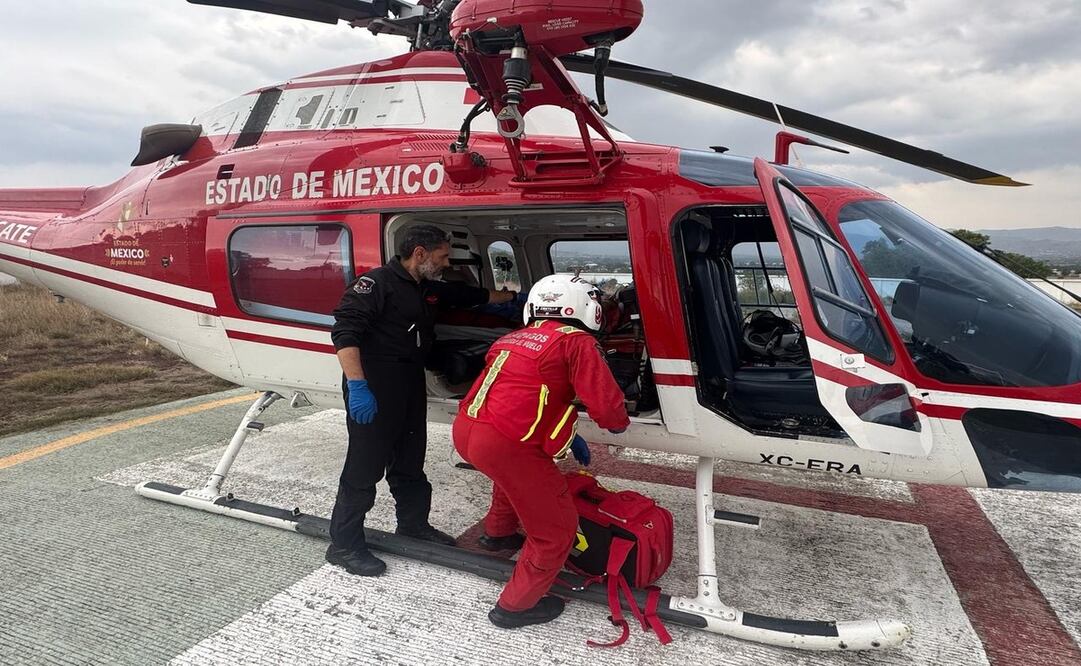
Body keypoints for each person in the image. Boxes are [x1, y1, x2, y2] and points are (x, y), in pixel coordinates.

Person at [327, 224, 520, 577]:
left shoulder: (425, 287)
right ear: (420, 253)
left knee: (411, 461)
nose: (446, 262)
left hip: (409, 383)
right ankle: (343, 545)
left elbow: (468, 297)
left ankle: (413, 526)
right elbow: (344, 334)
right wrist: (358, 386)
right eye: (443, 255)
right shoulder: (375, 285)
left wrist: (512, 300)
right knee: (364, 467)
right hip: (374, 387)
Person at [452, 274, 631, 628]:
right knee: (556, 530)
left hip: (469, 431)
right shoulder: (577, 342)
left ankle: (499, 532)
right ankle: (515, 607)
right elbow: (609, 410)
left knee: (509, 478)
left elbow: (522, 392)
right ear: (584, 306)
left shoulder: (513, 338)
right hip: (506, 443)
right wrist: (618, 423)